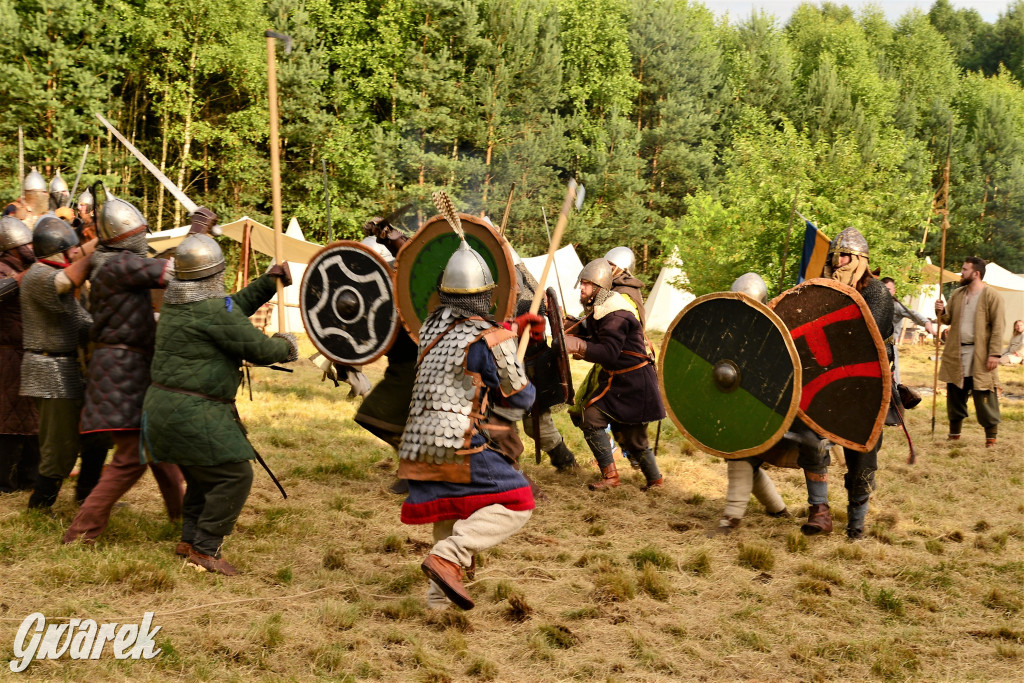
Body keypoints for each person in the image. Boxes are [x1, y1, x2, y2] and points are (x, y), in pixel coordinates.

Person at [140, 210, 298, 575]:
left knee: (201, 475)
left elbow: (230, 307)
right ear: (214, 274)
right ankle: (205, 548)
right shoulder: (209, 310)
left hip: (163, 409)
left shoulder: (180, 305)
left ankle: (189, 539)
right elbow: (258, 349)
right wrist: (285, 346)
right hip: (193, 410)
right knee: (234, 476)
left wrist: (267, 281)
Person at [399, 203, 536, 611]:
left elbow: (462, 355)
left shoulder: (430, 328)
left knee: (449, 509)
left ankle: (439, 607)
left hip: (418, 442)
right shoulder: (490, 338)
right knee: (519, 502)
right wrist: (511, 348)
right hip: (458, 441)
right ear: (485, 294)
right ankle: (450, 557)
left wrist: (507, 335)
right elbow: (522, 397)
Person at [63, 191, 185, 545]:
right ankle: (81, 533)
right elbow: (178, 269)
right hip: (122, 370)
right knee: (131, 459)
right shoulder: (121, 264)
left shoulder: (105, 262)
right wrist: (198, 237)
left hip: (124, 367)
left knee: (158, 449)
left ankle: (182, 519)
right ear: (130, 237)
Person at [800, 227, 893, 540]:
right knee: (810, 439)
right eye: (834, 256)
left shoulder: (876, 293)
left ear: (859, 260)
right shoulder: (824, 291)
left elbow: (864, 338)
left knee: (861, 457)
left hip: (866, 388)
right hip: (827, 382)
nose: (836, 262)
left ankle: (856, 524)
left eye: (843, 256)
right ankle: (820, 511)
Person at [564, 258, 665, 491]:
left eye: (586, 284)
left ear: (599, 288)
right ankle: (617, 478)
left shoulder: (616, 313)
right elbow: (592, 332)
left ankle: (654, 480)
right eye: (582, 283)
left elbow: (609, 352)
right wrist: (569, 324)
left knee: (632, 436)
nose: (582, 288)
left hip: (635, 382)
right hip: (621, 380)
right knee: (609, 426)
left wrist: (579, 346)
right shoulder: (603, 308)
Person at [19, 215, 99, 509]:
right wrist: (98, 250)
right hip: (47, 367)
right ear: (59, 250)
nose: (78, 252)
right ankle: (41, 504)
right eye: (74, 249)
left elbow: (85, 325)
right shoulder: (38, 275)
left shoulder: (56, 282)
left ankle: (84, 494)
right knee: (58, 443)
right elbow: (66, 280)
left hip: (64, 367)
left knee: (74, 439)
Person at [714, 273, 790, 534]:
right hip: (735, 403)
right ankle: (778, 508)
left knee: (742, 458)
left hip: (763, 407)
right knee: (744, 460)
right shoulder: (729, 328)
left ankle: (731, 518)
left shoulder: (773, 332)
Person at [512, 250, 578, 473]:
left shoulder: (529, 298)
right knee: (501, 422)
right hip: (506, 368)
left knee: (536, 423)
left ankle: (565, 461)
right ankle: (506, 466)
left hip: (531, 370)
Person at [935, 257, 1004, 446]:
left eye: (965, 269)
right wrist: (940, 311)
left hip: (981, 355)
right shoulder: (958, 294)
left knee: (984, 395)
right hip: (957, 353)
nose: (961, 273)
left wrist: (994, 354)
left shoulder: (992, 296)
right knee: (955, 392)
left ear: (976, 273)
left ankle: (991, 437)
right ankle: (954, 434)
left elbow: (999, 327)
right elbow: (947, 320)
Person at [0, 215, 40, 493]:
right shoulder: (2, 268)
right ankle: (5, 483)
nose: (31, 247)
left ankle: (29, 479)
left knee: (33, 423)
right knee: (8, 424)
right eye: (25, 243)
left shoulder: (29, 265)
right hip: (7, 357)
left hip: (27, 354)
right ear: (13, 246)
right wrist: (19, 278)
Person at [880, 277, 935, 384]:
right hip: (874, 348)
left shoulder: (896, 306)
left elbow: (913, 314)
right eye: (883, 289)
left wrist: (926, 323)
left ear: (894, 291)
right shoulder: (874, 305)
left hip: (890, 347)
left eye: (888, 289)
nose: (886, 292)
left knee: (894, 382)